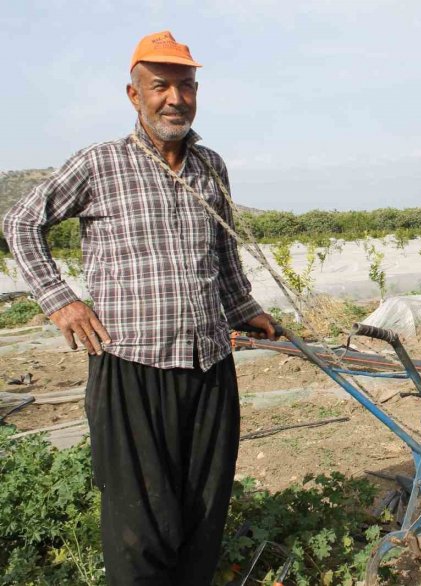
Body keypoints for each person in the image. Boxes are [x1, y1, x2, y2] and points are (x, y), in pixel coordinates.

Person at [2, 30, 277, 585]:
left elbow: (223, 253)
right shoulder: (100, 164)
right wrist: (62, 302)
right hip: (132, 366)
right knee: (141, 527)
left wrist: (245, 308)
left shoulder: (210, 166)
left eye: (186, 85)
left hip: (208, 365)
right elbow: (20, 222)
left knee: (203, 511)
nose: (175, 98)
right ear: (134, 95)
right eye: (160, 86)